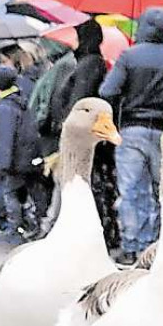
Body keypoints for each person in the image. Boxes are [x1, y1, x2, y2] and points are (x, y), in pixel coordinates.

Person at [99, 6, 163, 265]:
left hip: (131, 130)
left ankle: (132, 245)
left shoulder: (129, 56)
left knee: (131, 190)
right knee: (159, 192)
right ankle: (154, 247)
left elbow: (108, 90)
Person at [49, 18, 119, 250]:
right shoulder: (88, 62)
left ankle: (58, 229)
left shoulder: (90, 63)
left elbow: (81, 97)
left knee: (75, 180)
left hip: (83, 135)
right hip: (81, 131)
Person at [0, 65, 42, 242]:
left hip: (15, 161)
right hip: (28, 157)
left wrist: (3, 166)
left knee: (10, 194)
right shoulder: (22, 101)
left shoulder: (5, 108)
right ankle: (31, 225)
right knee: (26, 194)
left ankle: (15, 230)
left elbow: (6, 139)